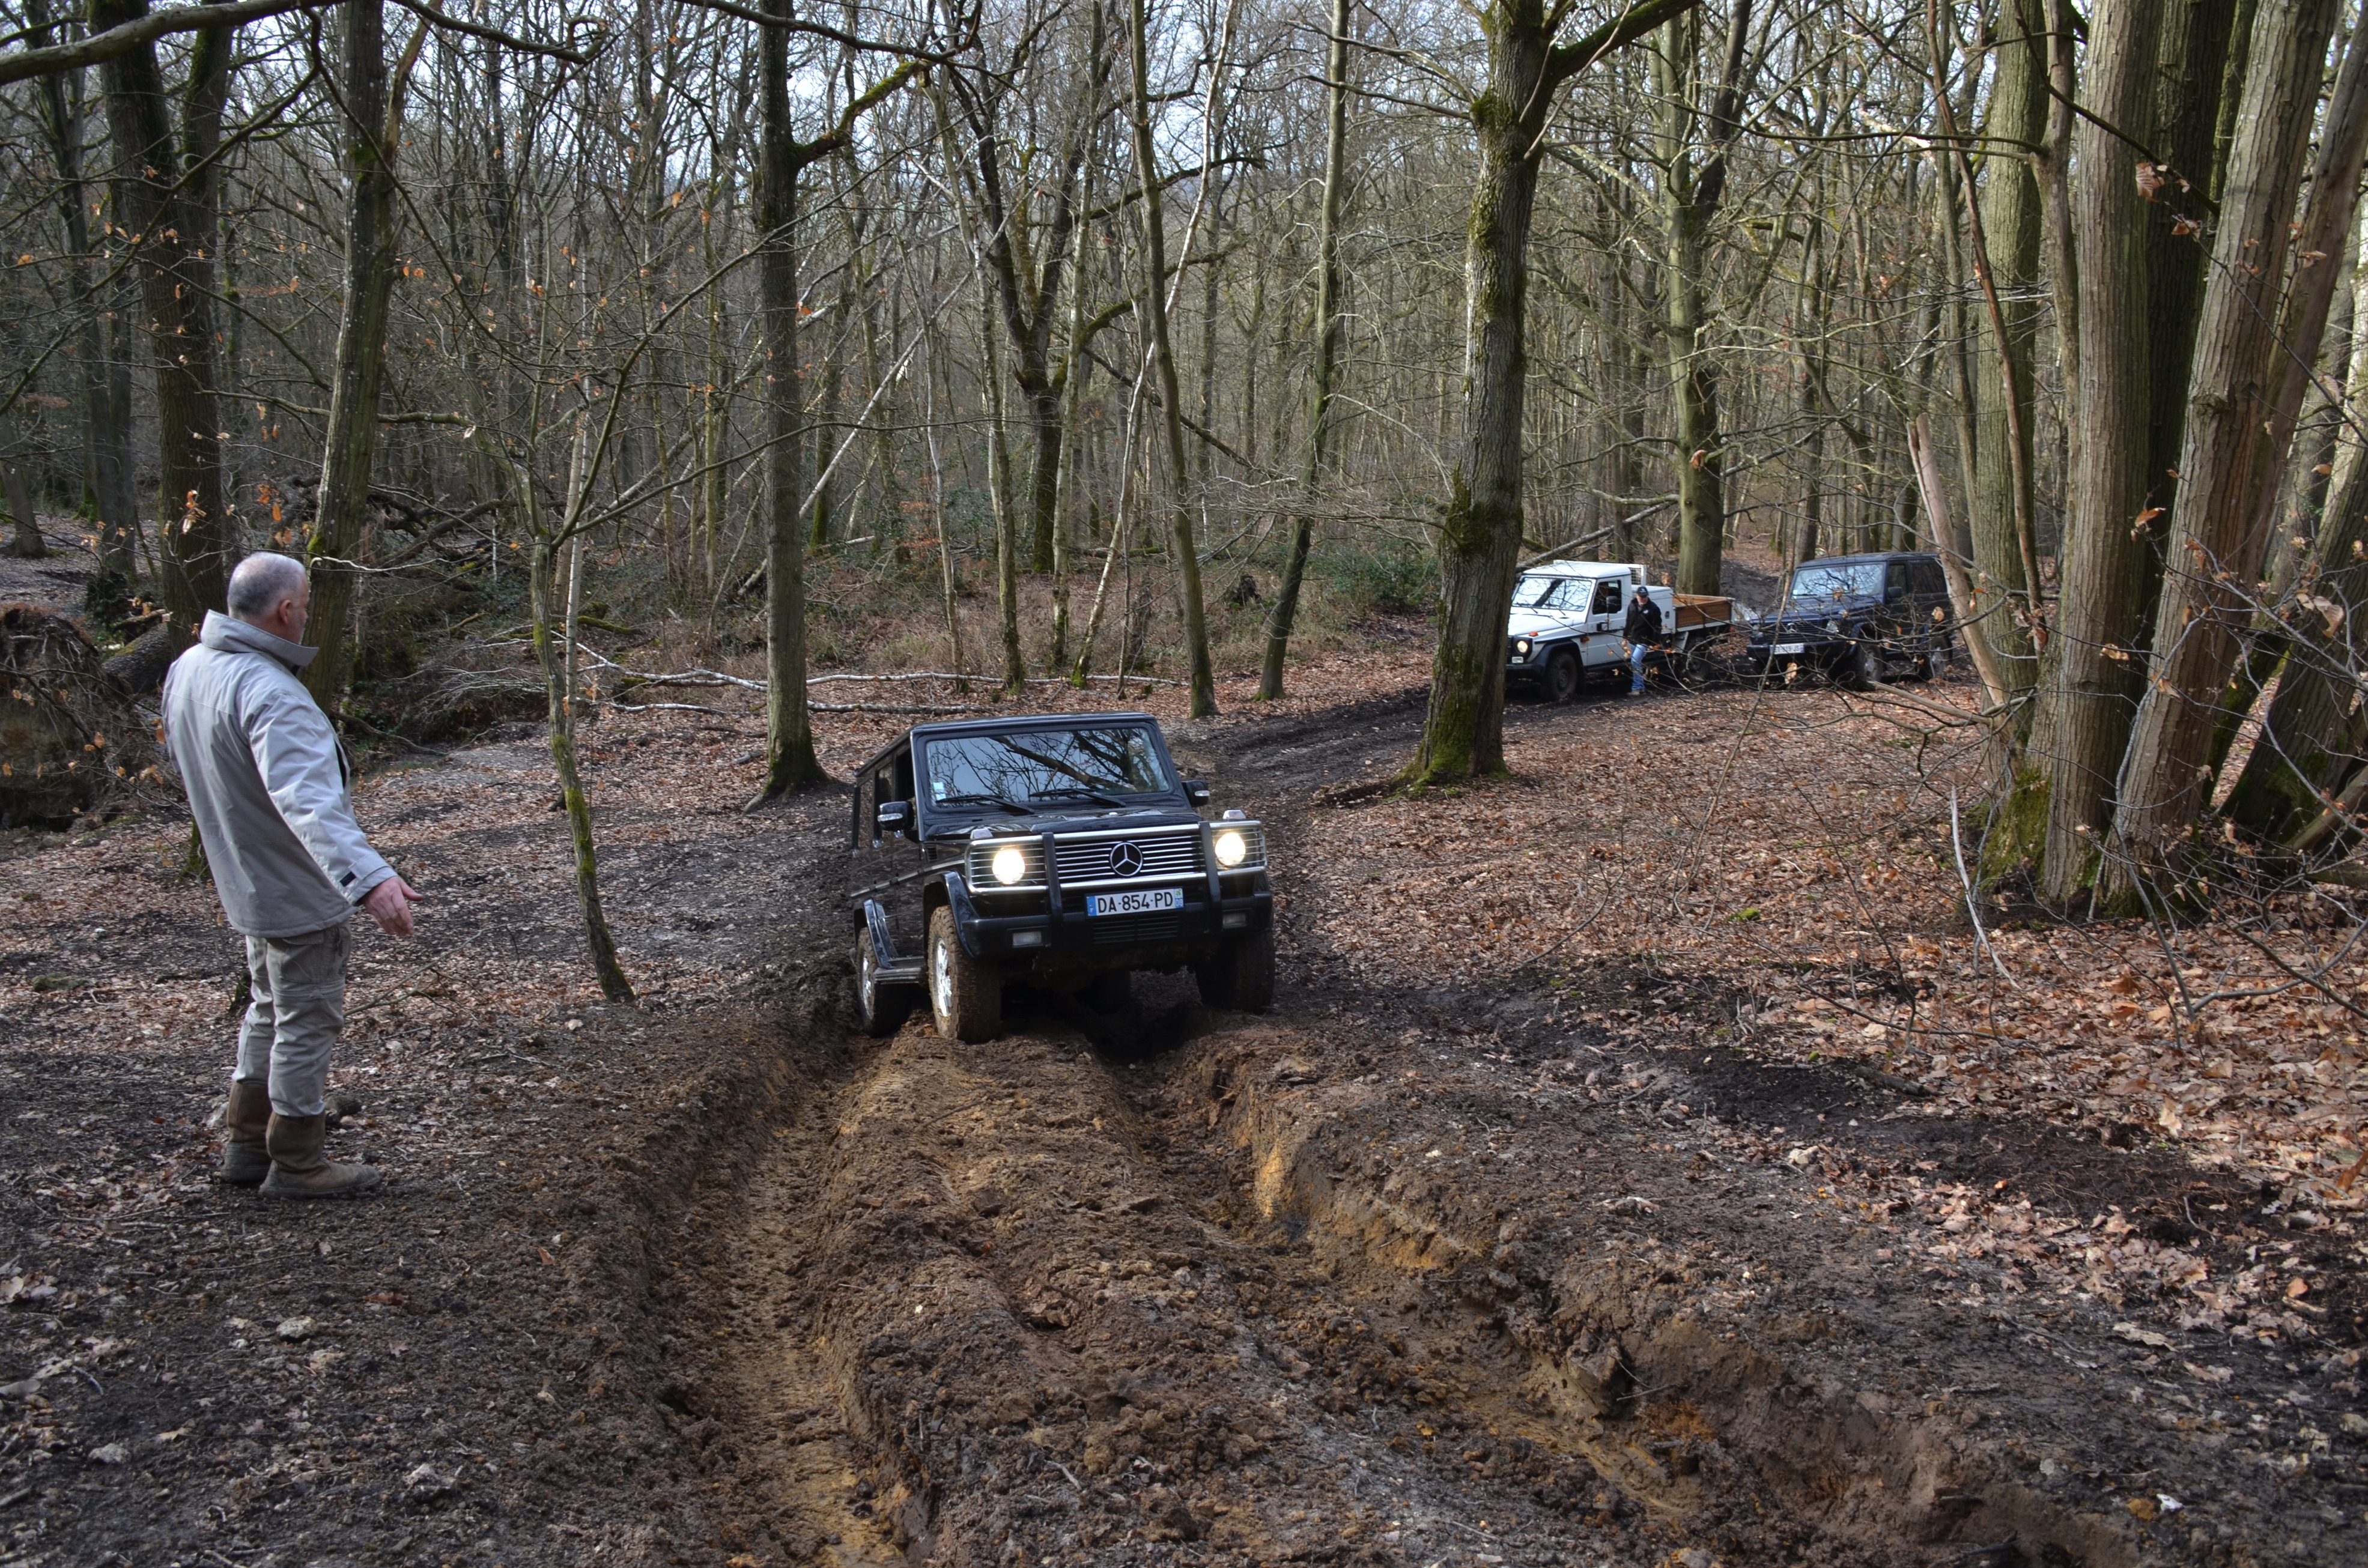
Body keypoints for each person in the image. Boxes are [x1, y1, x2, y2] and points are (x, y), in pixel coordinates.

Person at [162, 553, 421, 1199]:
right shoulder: (272, 693)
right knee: (305, 1018)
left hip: (246, 880)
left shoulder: (189, 668)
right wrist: (370, 879)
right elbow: (309, 804)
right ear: (285, 610)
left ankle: (247, 1144)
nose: (307, 615)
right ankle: (298, 1161)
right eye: (304, 605)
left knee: (268, 1008)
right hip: (295, 889)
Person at [1621, 584, 1663, 695]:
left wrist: (1653, 643)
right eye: (1641, 597)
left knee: (1635, 661)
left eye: (1645, 596)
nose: (1644, 599)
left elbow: (1657, 627)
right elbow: (1628, 621)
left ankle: (1637, 687)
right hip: (1633, 639)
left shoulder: (1653, 609)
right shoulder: (1632, 605)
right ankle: (1641, 687)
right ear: (1637, 596)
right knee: (1637, 663)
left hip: (1645, 640)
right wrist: (1625, 636)